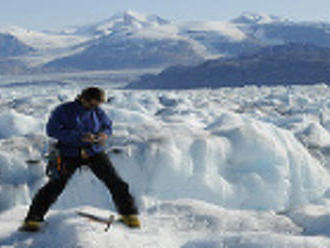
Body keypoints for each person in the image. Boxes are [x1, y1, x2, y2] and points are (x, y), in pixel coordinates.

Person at [20, 87, 140, 231]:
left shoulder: (97, 111)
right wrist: (79, 136)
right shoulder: (63, 111)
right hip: (69, 153)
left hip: (93, 152)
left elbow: (107, 126)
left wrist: (103, 135)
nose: (96, 107)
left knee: (116, 182)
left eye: (98, 104)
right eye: (93, 103)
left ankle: (129, 215)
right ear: (84, 98)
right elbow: (52, 130)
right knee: (55, 186)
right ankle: (33, 219)